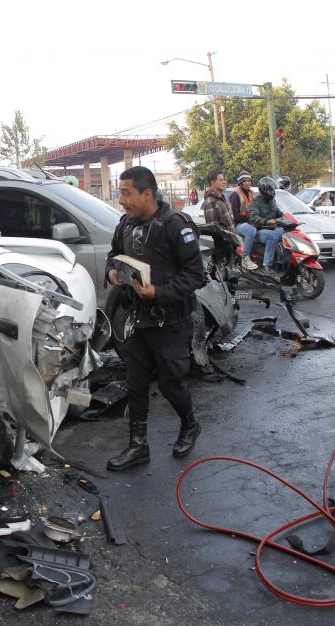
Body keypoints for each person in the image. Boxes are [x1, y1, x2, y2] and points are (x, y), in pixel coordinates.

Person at [105, 166, 205, 471]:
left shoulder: (175, 225)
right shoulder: (124, 225)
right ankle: (138, 447)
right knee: (135, 383)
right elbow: (113, 255)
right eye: (120, 193)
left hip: (170, 321)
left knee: (171, 384)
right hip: (137, 318)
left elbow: (195, 275)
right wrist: (112, 272)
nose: (121, 200)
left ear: (147, 194)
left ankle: (189, 425)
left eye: (126, 193)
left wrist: (158, 292)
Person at [247, 177, 285, 274]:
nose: (272, 192)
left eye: (272, 190)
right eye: (269, 190)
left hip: (272, 228)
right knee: (273, 236)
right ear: (263, 190)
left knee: (286, 233)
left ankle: (286, 260)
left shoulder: (272, 201)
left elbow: (279, 213)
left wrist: (289, 218)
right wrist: (267, 221)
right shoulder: (255, 201)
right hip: (259, 230)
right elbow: (253, 218)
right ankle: (267, 265)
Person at [230, 171, 258, 267]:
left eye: (249, 180)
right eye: (244, 181)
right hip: (238, 224)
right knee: (251, 230)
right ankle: (245, 258)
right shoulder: (235, 194)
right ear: (240, 182)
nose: (247, 183)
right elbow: (236, 216)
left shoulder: (253, 193)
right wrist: (250, 220)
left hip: (250, 222)